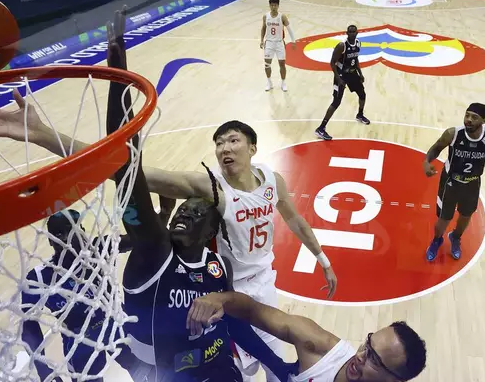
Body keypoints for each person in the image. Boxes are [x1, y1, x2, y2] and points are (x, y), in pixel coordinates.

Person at [0, 8, 295, 382]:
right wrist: (117, 74)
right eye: (184, 207)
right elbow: (125, 169)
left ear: (211, 234)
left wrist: (279, 365)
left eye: (198, 213)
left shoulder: (218, 266)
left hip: (220, 369)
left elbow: (234, 324)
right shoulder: (153, 251)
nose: (185, 212)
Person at [142, 120, 338, 382]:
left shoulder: (271, 180)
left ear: (252, 148)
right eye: (219, 143)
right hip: (229, 291)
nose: (225, 148)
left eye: (233, 141)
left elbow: (295, 221)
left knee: (278, 370)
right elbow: (153, 178)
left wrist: (323, 261)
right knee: (238, 373)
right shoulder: (213, 187)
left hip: (264, 283)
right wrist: (94, 158)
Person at [187, 291, 427, 382]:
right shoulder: (321, 347)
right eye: (367, 344)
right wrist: (220, 299)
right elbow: (253, 311)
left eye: (375, 359)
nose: (361, 356)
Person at [21, 209, 133, 382]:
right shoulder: (40, 277)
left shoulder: (99, 251)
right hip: (79, 342)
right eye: (62, 233)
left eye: (76, 228)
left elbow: (142, 239)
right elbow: (29, 326)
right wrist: (44, 371)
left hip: (117, 326)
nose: (72, 236)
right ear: (52, 240)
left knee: (151, 372)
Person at [423, 103, 485, 261]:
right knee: (444, 218)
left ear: (484, 120)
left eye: (474, 117)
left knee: (466, 215)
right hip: (450, 181)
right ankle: (437, 240)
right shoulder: (453, 133)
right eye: (467, 115)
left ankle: (455, 237)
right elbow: (437, 147)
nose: (468, 120)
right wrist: (427, 162)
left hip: (473, 183)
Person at [315, 24, 371, 141]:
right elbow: (332, 62)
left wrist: (360, 74)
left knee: (362, 94)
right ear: (347, 33)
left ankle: (359, 115)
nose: (352, 33)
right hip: (341, 75)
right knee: (336, 102)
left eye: (354, 31)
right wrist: (339, 79)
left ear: (357, 33)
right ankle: (321, 128)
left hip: (352, 73)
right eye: (350, 32)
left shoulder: (358, 44)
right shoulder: (342, 46)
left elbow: (356, 60)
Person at [260, 0, 297, 92]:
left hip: (279, 43)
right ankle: (269, 82)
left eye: (275, 5)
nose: (273, 7)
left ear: (278, 6)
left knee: (282, 64)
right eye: (271, 5)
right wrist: (261, 40)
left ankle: (283, 82)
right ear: (269, 5)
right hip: (269, 43)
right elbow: (263, 28)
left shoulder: (282, 17)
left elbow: (290, 29)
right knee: (267, 64)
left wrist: (293, 41)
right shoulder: (265, 16)